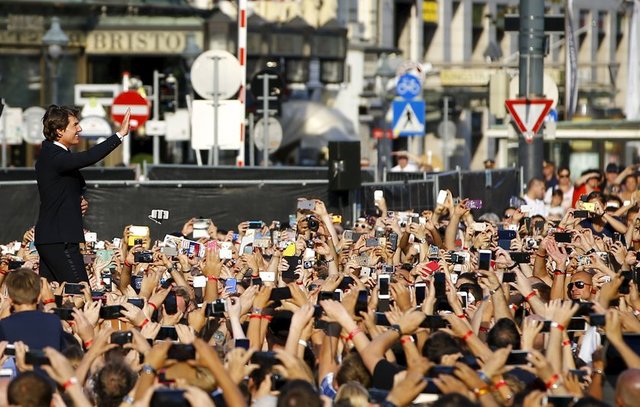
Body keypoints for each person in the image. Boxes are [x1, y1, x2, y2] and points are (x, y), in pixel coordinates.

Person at [34, 105, 130, 283]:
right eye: (75, 125)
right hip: (59, 239)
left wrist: (77, 200)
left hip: (54, 238)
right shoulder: (54, 156)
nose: (80, 129)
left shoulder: (55, 154)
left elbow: (64, 188)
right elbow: (88, 157)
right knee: (80, 291)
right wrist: (120, 135)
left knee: (54, 295)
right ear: (59, 131)